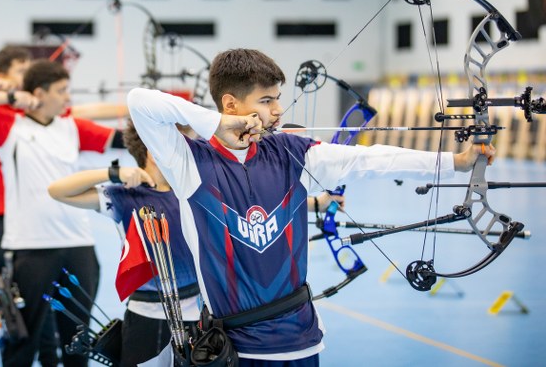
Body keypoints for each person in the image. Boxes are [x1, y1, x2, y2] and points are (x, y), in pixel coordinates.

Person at [127, 48, 494, 365]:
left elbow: (371, 160)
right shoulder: (190, 163)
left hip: (301, 339)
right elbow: (140, 102)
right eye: (266, 100)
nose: (278, 109)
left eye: (278, 98)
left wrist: (456, 163)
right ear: (231, 104)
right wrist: (216, 124)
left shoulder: (292, 152)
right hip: (237, 348)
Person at [0, 59, 126, 367]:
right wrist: (10, 97)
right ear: (39, 92)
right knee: (22, 341)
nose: (68, 97)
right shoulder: (10, 127)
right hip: (31, 249)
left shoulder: (71, 126)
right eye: (62, 91)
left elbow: (122, 139)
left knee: (77, 344)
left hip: (78, 246)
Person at [48, 120, 203, 365]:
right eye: (182, 144)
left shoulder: (193, 190)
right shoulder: (124, 196)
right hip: (146, 319)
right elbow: (58, 190)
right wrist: (113, 173)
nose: (191, 151)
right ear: (154, 152)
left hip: (196, 316)